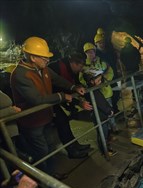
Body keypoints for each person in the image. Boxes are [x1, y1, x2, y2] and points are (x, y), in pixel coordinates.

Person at [10, 36, 86, 176]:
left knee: (49, 147)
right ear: (33, 58)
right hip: (32, 122)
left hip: (46, 117)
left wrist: (73, 87)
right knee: (42, 151)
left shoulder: (43, 68)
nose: (48, 60)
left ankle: (50, 175)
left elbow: (56, 79)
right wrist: (62, 96)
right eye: (44, 58)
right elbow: (36, 99)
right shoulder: (20, 75)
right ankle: (45, 180)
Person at [48, 53, 93, 159]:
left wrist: (78, 89)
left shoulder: (71, 70)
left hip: (58, 98)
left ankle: (75, 145)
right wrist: (78, 103)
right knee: (62, 123)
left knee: (64, 122)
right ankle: (72, 151)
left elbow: (72, 85)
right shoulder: (56, 68)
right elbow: (61, 88)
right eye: (80, 66)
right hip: (50, 99)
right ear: (73, 63)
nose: (81, 69)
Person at [80, 42, 119, 141]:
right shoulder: (83, 66)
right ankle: (107, 133)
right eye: (88, 52)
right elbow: (81, 80)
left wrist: (104, 80)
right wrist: (90, 83)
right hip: (95, 96)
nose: (91, 54)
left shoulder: (102, 62)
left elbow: (110, 72)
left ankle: (113, 127)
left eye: (92, 52)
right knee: (102, 115)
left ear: (95, 51)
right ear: (85, 53)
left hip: (106, 92)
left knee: (110, 110)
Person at [83, 71, 117, 157]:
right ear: (91, 81)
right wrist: (109, 111)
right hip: (99, 116)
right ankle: (104, 151)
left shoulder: (92, 89)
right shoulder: (93, 91)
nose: (100, 82)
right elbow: (101, 103)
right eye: (98, 81)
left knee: (103, 133)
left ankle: (105, 148)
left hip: (100, 115)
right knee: (102, 134)